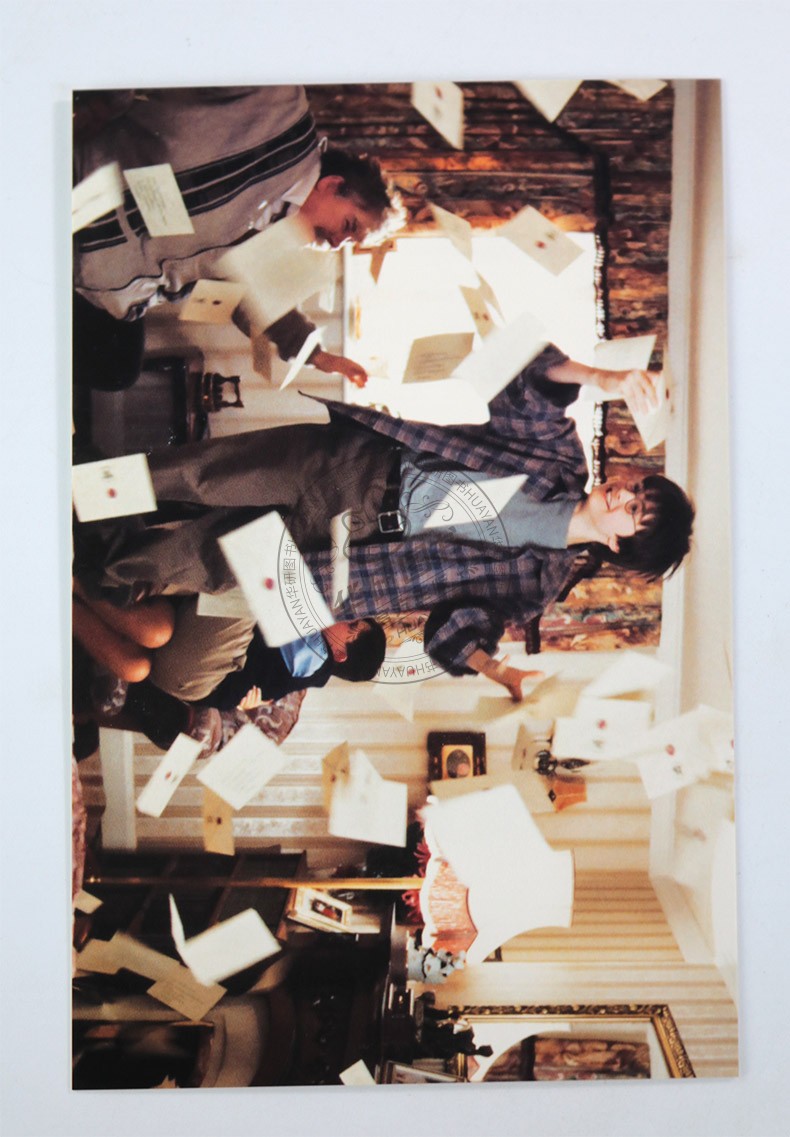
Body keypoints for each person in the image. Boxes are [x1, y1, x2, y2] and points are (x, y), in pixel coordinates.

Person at [75, 344, 694, 699]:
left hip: (342, 564)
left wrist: (497, 670)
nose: (623, 493)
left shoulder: (536, 586)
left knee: (183, 565)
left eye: (634, 510)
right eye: (637, 486)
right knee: (189, 474)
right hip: (356, 466)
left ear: (619, 545)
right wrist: (603, 378)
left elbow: (451, 633)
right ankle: (66, 490)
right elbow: (527, 386)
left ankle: (73, 565)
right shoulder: (558, 460)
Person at [73, 85, 404, 387]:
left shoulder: (282, 236)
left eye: (349, 243)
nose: (335, 244)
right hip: (81, 198)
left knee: (117, 370)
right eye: (349, 226)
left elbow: (254, 299)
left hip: (102, 292)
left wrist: (318, 357)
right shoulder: (278, 108)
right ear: (333, 185)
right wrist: (106, 99)